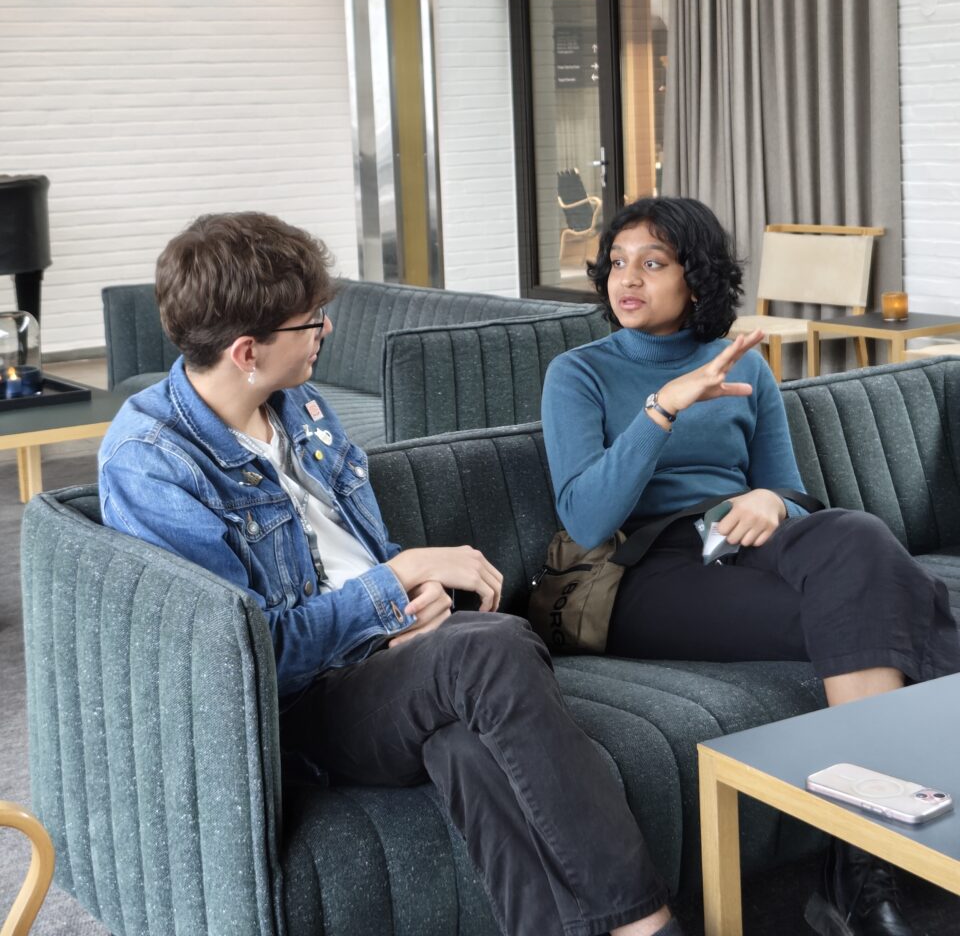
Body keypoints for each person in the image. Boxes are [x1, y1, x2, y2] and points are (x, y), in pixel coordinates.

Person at [98, 210, 685, 936]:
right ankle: (648, 925)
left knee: (466, 744)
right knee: (493, 645)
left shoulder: (299, 404)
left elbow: (349, 552)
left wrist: (412, 596)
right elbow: (247, 657)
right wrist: (396, 581)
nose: (326, 330)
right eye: (310, 321)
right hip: (305, 706)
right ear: (247, 351)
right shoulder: (153, 462)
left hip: (387, 659)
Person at [542, 195, 960, 936]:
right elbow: (586, 517)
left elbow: (790, 488)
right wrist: (662, 409)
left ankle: (856, 863)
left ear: (696, 278)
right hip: (645, 572)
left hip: (741, 544)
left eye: (652, 263)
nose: (626, 279)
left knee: (856, 537)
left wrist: (771, 500)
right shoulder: (578, 374)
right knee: (896, 601)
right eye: (617, 263)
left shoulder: (745, 366)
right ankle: (860, 871)